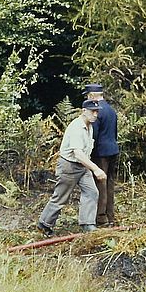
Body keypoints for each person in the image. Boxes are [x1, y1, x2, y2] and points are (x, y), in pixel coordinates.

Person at [37, 99, 106, 236]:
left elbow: (84, 154)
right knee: (61, 197)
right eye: (93, 111)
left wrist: (89, 167)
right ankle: (45, 223)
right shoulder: (76, 127)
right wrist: (96, 169)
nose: (95, 114)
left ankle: (87, 224)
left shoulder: (89, 126)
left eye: (97, 111)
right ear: (84, 111)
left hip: (83, 166)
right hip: (69, 166)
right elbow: (78, 154)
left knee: (92, 192)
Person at [83, 83, 119, 227]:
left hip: (100, 152)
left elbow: (94, 135)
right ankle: (111, 216)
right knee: (110, 183)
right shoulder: (111, 110)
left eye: (88, 96)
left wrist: (89, 152)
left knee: (100, 185)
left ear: (92, 96)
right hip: (113, 149)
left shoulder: (96, 111)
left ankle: (101, 218)